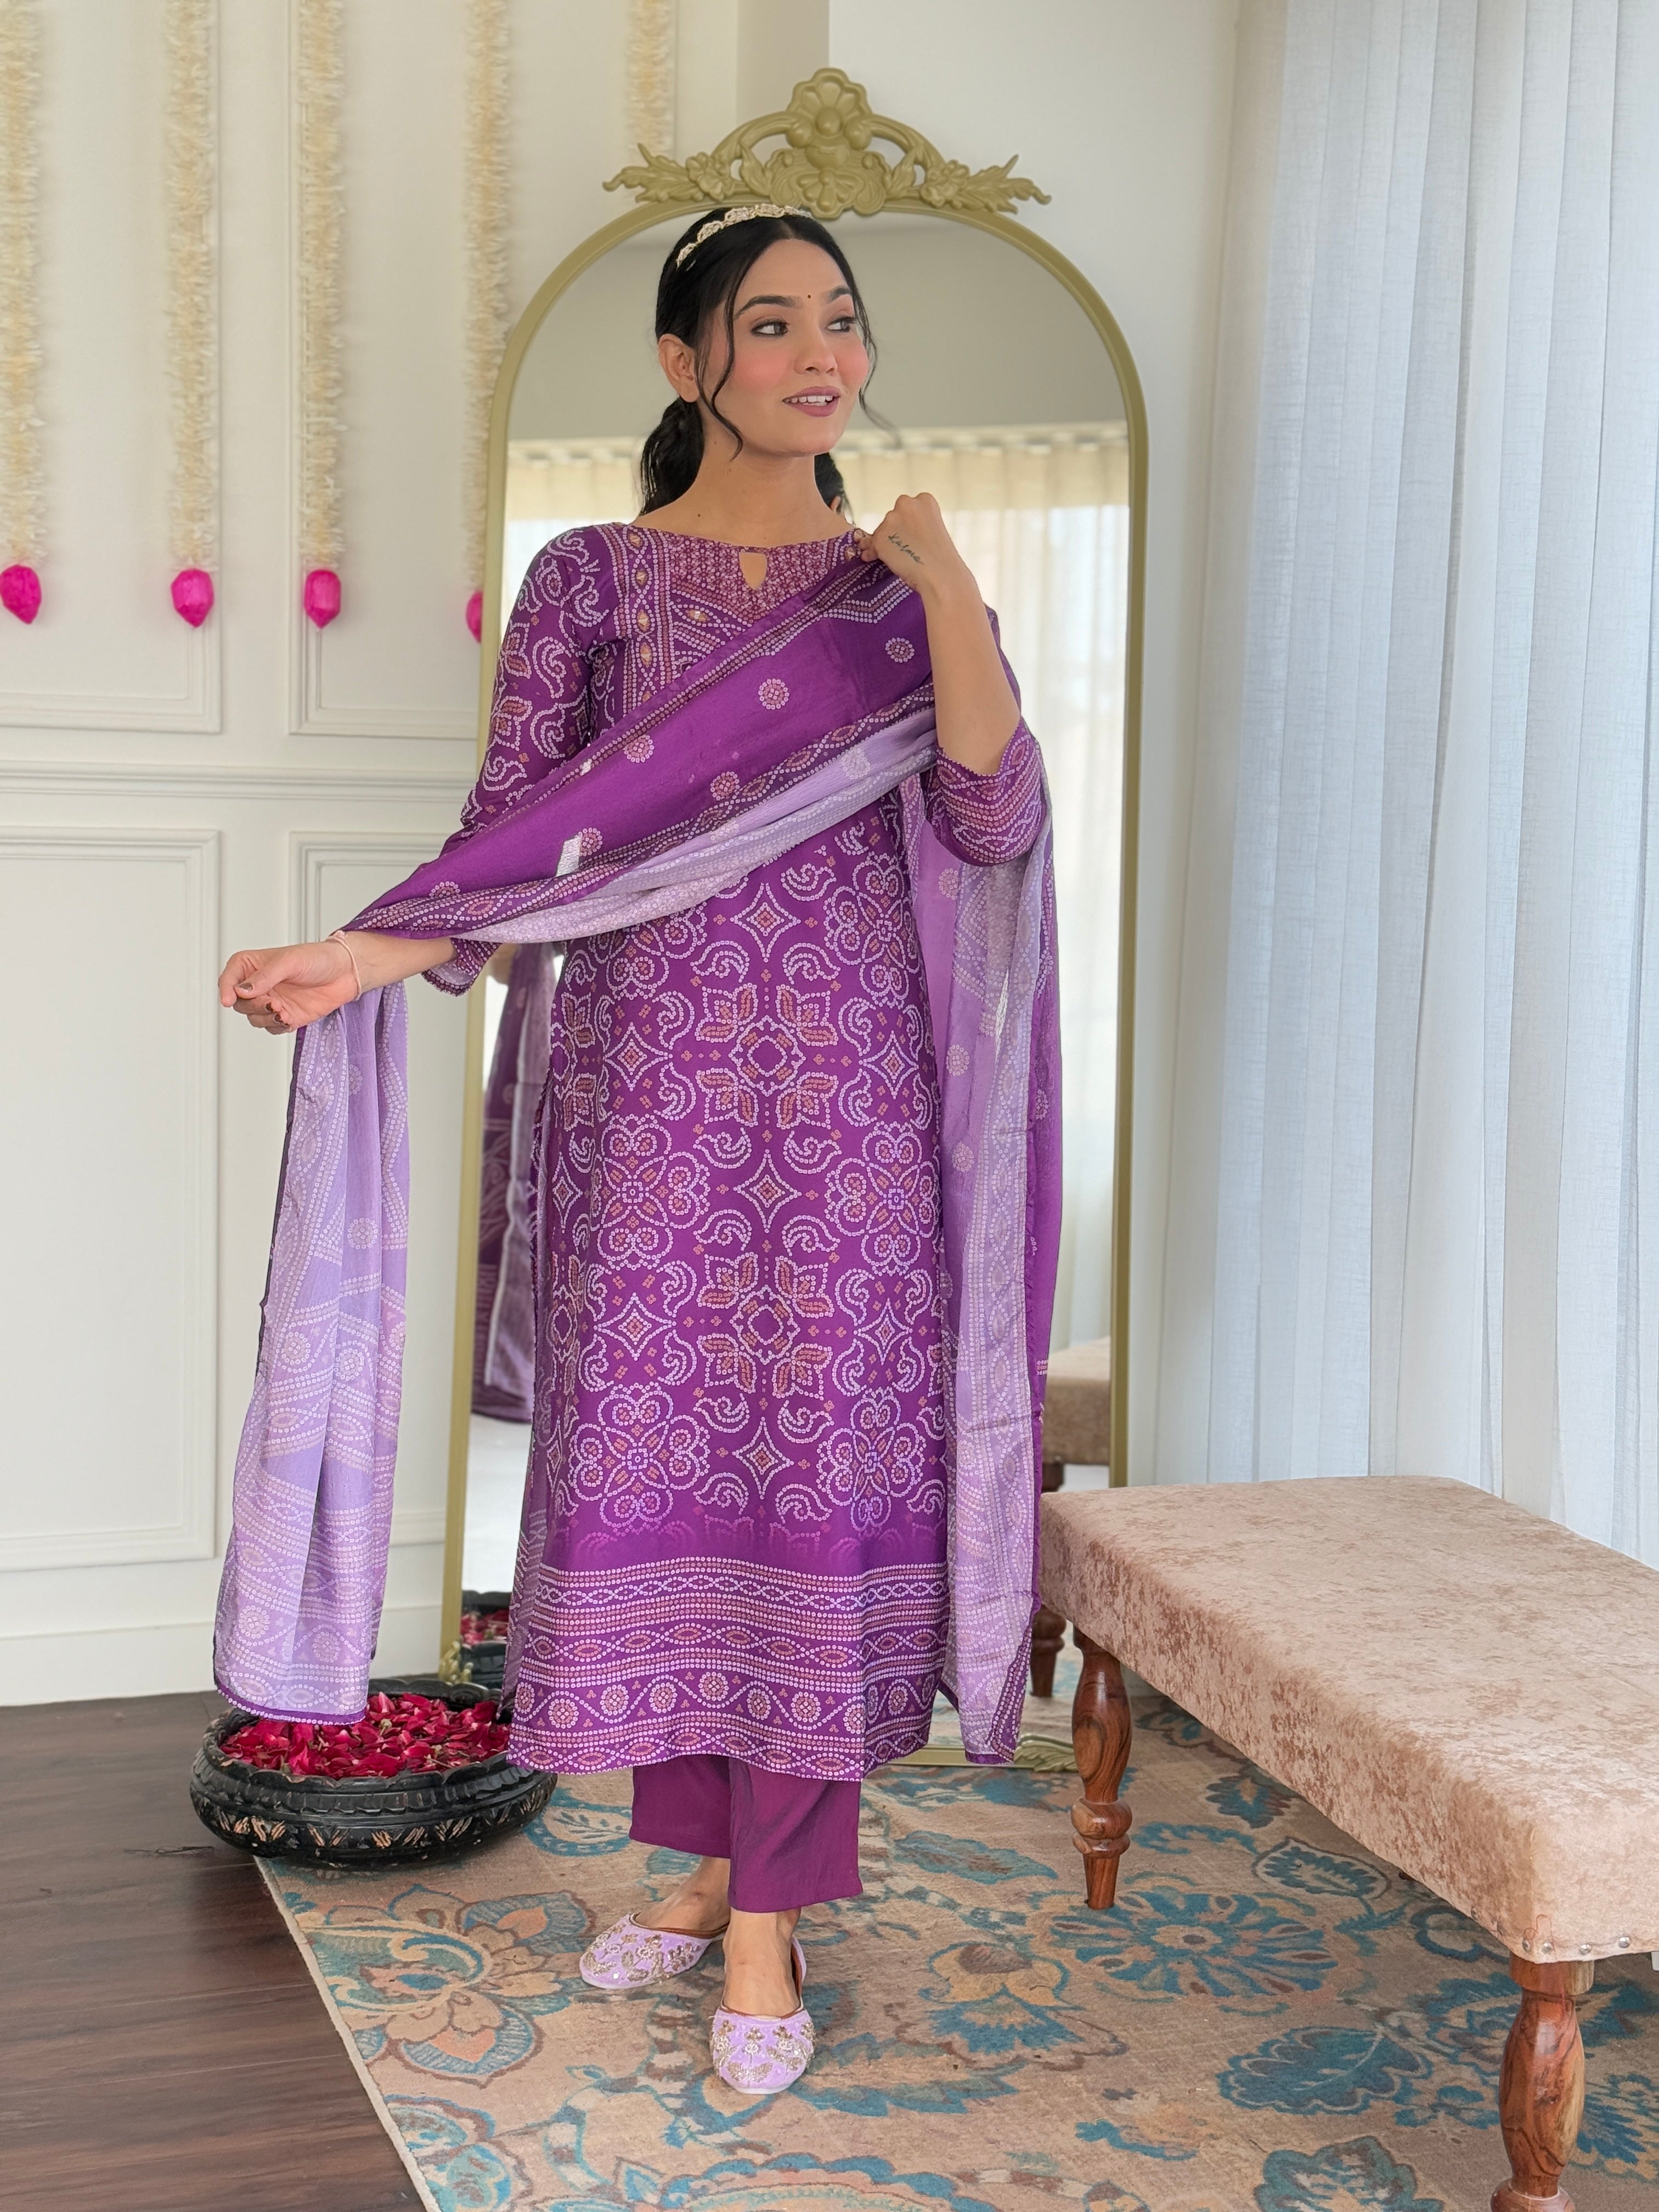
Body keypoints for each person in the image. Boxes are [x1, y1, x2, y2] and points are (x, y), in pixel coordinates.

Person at [217, 204, 1053, 2097]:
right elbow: (520, 845)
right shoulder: (590, 581)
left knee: (809, 1497)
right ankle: (688, 1876)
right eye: (770, 326)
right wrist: (363, 952)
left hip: (850, 1117)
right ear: (688, 366)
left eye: (840, 321)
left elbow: (997, 821)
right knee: (670, 1476)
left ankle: (767, 1914)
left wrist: (939, 589)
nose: (817, 354)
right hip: (647, 1105)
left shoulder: (889, 603)